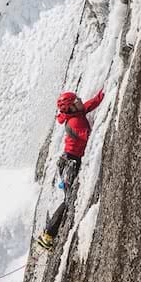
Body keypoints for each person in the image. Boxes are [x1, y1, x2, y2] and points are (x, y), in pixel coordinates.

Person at [37, 88, 104, 251]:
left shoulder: (76, 114)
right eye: (76, 101)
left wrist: (101, 95)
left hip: (69, 162)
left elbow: (88, 105)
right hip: (70, 164)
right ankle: (48, 234)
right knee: (68, 200)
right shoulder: (76, 122)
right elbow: (87, 136)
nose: (80, 101)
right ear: (71, 108)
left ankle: (49, 234)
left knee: (68, 198)